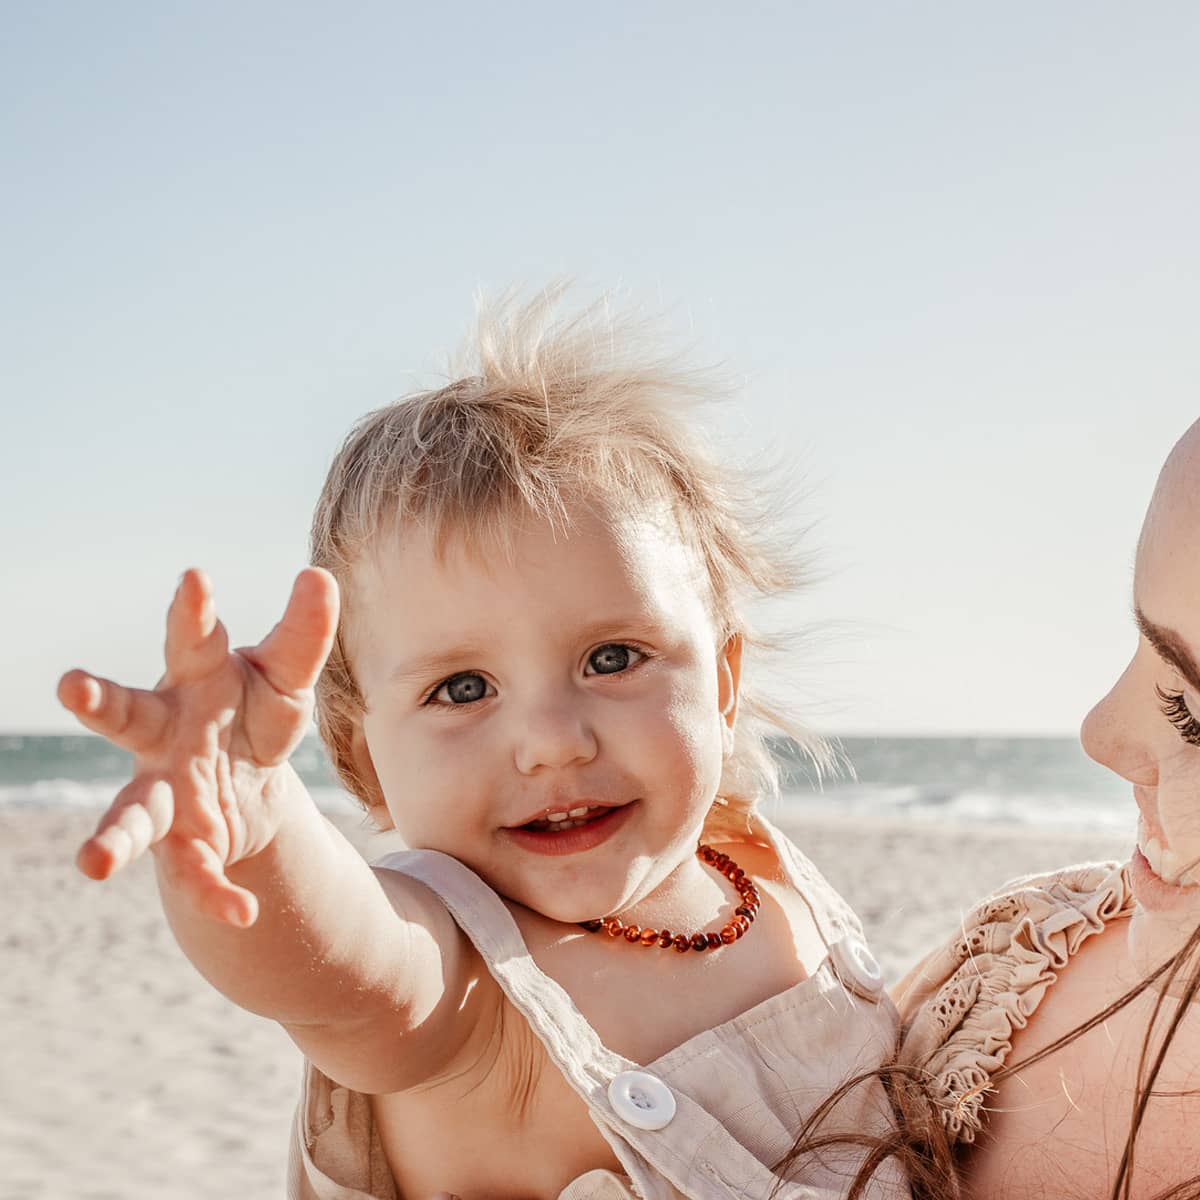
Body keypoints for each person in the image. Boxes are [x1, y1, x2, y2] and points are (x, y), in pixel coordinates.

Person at [59, 292, 911, 1200]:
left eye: (612, 658)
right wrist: (256, 820)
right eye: (461, 689)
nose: (549, 743)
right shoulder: (458, 972)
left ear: (724, 683)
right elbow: (334, 965)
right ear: (362, 751)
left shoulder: (773, 886)